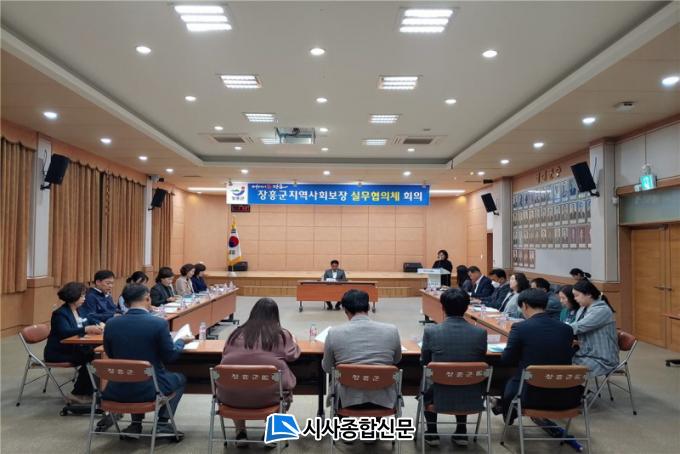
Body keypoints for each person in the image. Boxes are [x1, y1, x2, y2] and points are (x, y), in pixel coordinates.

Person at [102, 284, 194, 440]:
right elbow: (170, 356)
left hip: (116, 388)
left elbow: (110, 354)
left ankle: (135, 425)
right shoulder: (158, 323)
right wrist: (180, 342)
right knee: (180, 378)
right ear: (147, 298)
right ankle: (162, 424)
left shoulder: (111, 323)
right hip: (150, 389)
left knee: (135, 374)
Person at [218, 298, 301, 445]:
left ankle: (240, 432)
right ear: (275, 316)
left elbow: (225, 354)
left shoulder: (235, 334)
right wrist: (294, 341)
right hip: (270, 397)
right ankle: (271, 433)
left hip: (231, 398)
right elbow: (292, 356)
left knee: (238, 383)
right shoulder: (281, 335)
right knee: (282, 390)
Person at [496, 289, 576, 423]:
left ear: (524, 305)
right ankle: (503, 407)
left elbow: (507, 359)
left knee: (504, 378)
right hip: (564, 395)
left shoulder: (520, 328)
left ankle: (506, 411)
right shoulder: (566, 329)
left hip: (528, 394)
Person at [420, 288, 487, 447]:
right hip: (471, 391)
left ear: (442, 307)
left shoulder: (431, 331)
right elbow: (479, 359)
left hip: (438, 393)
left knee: (428, 380)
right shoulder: (480, 333)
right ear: (467, 307)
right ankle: (461, 431)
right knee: (464, 375)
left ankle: (432, 432)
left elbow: (425, 362)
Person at [322, 290, 402, 410]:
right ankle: (376, 422)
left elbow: (328, 368)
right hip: (383, 399)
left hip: (346, 400)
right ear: (368, 307)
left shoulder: (334, 333)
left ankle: (341, 422)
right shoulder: (392, 330)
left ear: (345, 310)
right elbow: (397, 359)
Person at [44, 282, 104, 404]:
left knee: (97, 354)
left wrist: (100, 324)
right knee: (92, 357)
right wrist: (86, 329)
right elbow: (65, 332)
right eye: (82, 296)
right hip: (60, 352)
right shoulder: (60, 313)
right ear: (73, 296)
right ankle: (77, 393)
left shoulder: (80, 310)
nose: (84, 298)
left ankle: (93, 389)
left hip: (76, 348)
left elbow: (90, 320)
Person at [568, 280, 619, 378]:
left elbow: (578, 327)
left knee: (562, 366)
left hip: (601, 359)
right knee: (560, 360)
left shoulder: (602, 310)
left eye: (577, 295)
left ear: (588, 294)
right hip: (587, 352)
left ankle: (573, 387)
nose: (575, 299)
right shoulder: (583, 308)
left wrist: (556, 329)